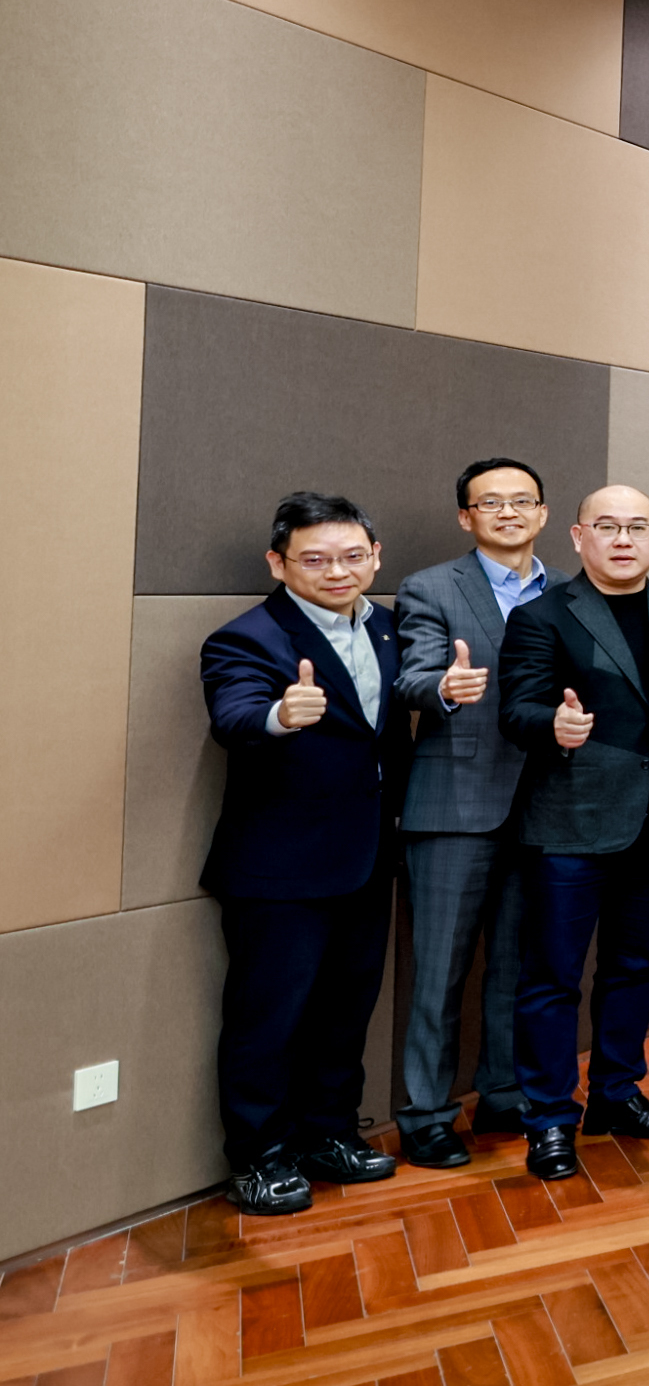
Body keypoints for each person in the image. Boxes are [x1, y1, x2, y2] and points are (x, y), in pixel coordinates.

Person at [497, 486, 649, 1180]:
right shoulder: (542, 615)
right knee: (552, 977)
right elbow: (516, 710)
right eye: (608, 526)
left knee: (635, 966)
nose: (624, 539)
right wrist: (553, 725)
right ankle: (549, 1118)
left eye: (638, 527)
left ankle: (616, 1094)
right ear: (578, 535)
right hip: (571, 819)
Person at [201, 492, 404, 1215]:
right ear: (278, 563)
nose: (336, 572)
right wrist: (278, 715)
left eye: (352, 556)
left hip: (367, 857)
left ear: (375, 557)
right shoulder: (246, 639)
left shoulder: (385, 626)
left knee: (346, 1012)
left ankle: (329, 1135)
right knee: (268, 1020)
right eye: (314, 559)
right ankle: (259, 1157)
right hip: (279, 869)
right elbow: (232, 714)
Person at [386, 457, 545, 1166]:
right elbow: (412, 677)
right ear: (465, 516)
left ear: (543, 514)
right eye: (491, 503)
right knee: (439, 974)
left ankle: (503, 1092)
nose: (508, 512)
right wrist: (445, 688)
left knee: (517, 965)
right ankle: (425, 1114)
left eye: (522, 501)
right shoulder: (430, 587)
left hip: (543, 806)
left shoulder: (567, 590)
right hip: (453, 804)